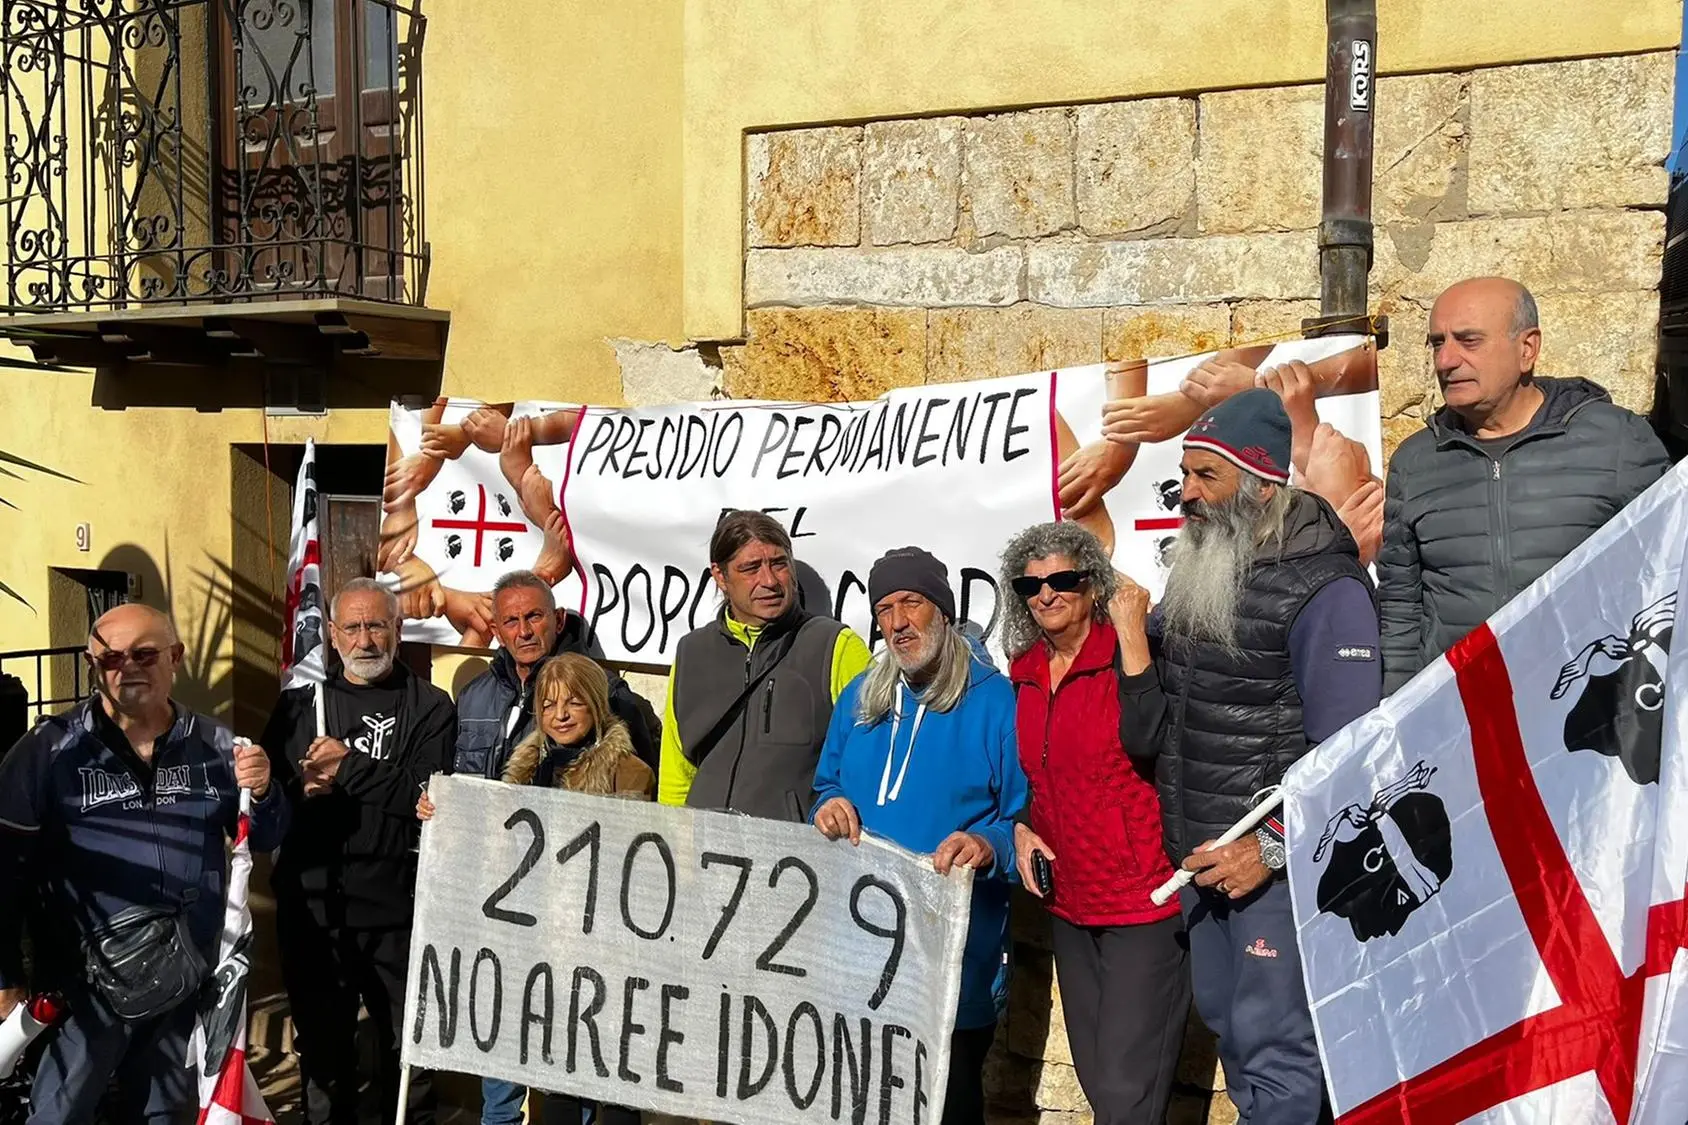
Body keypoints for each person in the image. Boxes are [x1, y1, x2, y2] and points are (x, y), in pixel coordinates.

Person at [1114, 388, 1383, 1125]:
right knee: (1235, 1036)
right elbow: (1163, 727)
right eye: (1185, 476)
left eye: (1208, 477)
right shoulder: (1202, 571)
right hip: (1203, 860)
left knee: (1279, 1053)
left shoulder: (1325, 587)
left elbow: (1350, 755)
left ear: (1260, 482)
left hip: (1273, 873)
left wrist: (1269, 849)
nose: (1188, 495)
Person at [0, 604, 284, 1124]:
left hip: (183, 981)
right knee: (59, 1115)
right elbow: (4, 872)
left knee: (166, 1114)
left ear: (175, 658)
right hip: (83, 991)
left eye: (145, 654)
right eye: (109, 658)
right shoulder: (47, 751)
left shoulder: (216, 745)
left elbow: (263, 836)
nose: (126, 667)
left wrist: (264, 791)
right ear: (92, 666)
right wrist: (5, 977)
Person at [811, 547, 1026, 1125]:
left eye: (912, 603)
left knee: (945, 1108)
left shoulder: (994, 700)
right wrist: (828, 805)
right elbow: (826, 782)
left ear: (944, 610)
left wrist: (987, 846)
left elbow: (1022, 820)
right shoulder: (861, 695)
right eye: (885, 609)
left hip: (951, 960)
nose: (899, 622)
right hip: (860, 956)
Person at [1380, 276, 1671, 693]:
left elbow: (1666, 577)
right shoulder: (1416, 461)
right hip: (1461, 716)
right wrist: (1397, 712)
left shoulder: (1618, 442)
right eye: (1437, 343)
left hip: (1584, 708)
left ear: (1527, 348)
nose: (1446, 360)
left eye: (1469, 340)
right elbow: (1400, 608)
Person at [998, 522, 1190, 1125]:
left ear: (1092, 583)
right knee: (1097, 1080)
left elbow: (1148, 739)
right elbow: (1037, 774)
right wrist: (1023, 826)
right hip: (1071, 905)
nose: (1046, 594)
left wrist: (1133, 639)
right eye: (1030, 585)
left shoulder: (1132, 653)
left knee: (1126, 1092)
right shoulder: (1024, 670)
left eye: (1062, 579)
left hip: (1143, 901)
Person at [451, 568, 657, 1125]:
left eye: (534, 616)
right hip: (517, 932)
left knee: (595, 1076)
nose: (561, 714)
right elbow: (471, 799)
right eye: (510, 619)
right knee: (520, 1064)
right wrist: (442, 812)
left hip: (595, 950)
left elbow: (638, 862)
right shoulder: (483, 707)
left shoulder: (626, 760)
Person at [260, 578, 456, 1124]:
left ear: (397, 628)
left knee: (410, 1056)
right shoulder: (301, 707)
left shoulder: (430, 707)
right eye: (353, 627)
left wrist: (348, 768)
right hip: (315, 912)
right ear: (331, 633)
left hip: (398, 910)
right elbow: (268, 806)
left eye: (376, 625)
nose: (365, 639)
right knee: (324, 1056)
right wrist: (295, 791)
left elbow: (423, 795)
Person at [660, 509, 871, 821]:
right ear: (720, 576)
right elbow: (676, 773)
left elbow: (873, 758)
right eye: (751, 568)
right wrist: (673, 839)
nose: (769, 581)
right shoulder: (691, 651)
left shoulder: (837, 646)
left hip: (795, 859)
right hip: (705, 851)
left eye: (778, 563)